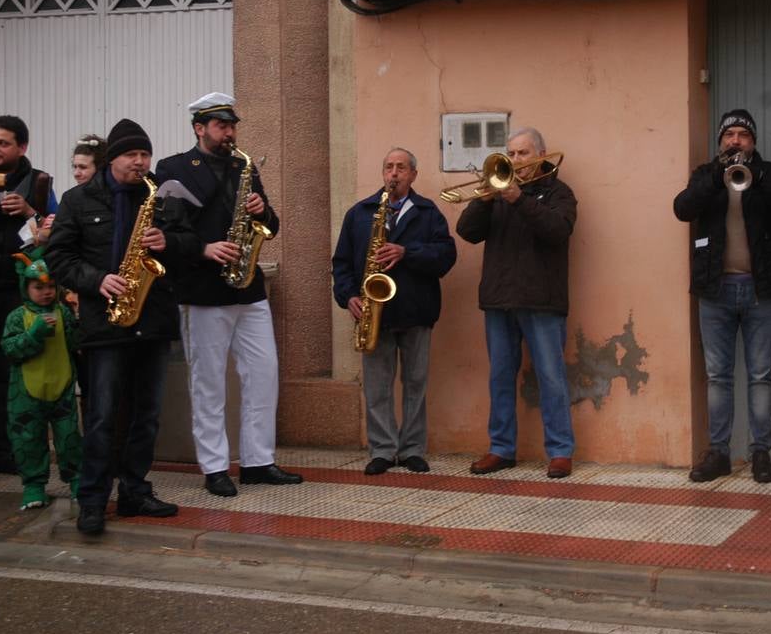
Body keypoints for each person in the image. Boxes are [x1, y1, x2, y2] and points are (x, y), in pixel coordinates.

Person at [46, 118, 193, 535]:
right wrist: (98, 280)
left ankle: (134, 491)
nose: (141, 162)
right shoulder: (77, 201)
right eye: (132, 155)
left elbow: (188, 246)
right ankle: (92, 500)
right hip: (105, 322)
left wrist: (171, 242)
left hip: (154, 319)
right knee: (102, 415)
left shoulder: (161, 199)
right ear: (113, 158)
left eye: (145, 154)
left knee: (146, 415)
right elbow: (59, 259)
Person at [155, 92, 303, 497]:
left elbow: (271, 226)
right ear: (199, 128)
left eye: (232, 125)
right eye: (221, 125)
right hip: (203, 291)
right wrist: (204, 248)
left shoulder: (245, 167)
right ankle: (215, 466)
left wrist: (261, 211)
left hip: (248, 288)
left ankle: (257, 461)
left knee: (262, 375)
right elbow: (165, 234)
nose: (229, 132)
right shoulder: (174, 169)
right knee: (208, 383)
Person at [673, 109, 771, 484]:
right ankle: (719, 453)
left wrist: (758, 175)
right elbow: (682, 209)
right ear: (720, 141)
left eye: (743, 135)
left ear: (754, 142)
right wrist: (717, 176)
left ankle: (761, 453)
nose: (735, 141)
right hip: (715, 291)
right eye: (729, 134)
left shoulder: (770, 172)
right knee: (718, 377)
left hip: (760, 290)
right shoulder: (705, 174)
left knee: (760, 375)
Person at [456, 128, 576, 479]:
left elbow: (557, 230)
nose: (515, 160)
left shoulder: (559, 192)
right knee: (500, 377)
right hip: (499, 298)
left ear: (540, 154)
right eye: (511, 153)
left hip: (542, 300)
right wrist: (484, 200)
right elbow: (467, 232)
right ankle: (501, 449)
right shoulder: (496, 192)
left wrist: (518, 199)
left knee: (551, 378)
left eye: (522, 153)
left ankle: (560, 451)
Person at [333, 148, 457, 475]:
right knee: (377, 387)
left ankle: (413, 448)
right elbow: (341, 264)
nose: (394, 173)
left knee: (416, 383)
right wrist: (348, 298)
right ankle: (383, 449)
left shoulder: (429, 213)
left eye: (401, 167)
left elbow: (445, 257)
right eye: (389, 167)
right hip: (374, 314)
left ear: (413, 174)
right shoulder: (360, 213)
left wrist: (406, 252)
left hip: (417, 311)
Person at [0, 115, 54, 474]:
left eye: (2, 143)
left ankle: (1, 450)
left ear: (21, 147)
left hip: (13, 287)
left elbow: (57, 232)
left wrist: (30, 212)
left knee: (7, 370)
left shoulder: (38, 183)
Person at [1, 248, 81, 510]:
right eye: (38, 287)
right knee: (29, 439)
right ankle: (34, 486)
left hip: (63, 387)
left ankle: (77, 481)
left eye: (50, 286)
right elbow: (10, 350)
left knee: (69, 438)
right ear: (26, 287)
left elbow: (74, 343)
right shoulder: (16, 317)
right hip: (26, 393)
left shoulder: (63, 312)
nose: (46, 292)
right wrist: (33, 335)